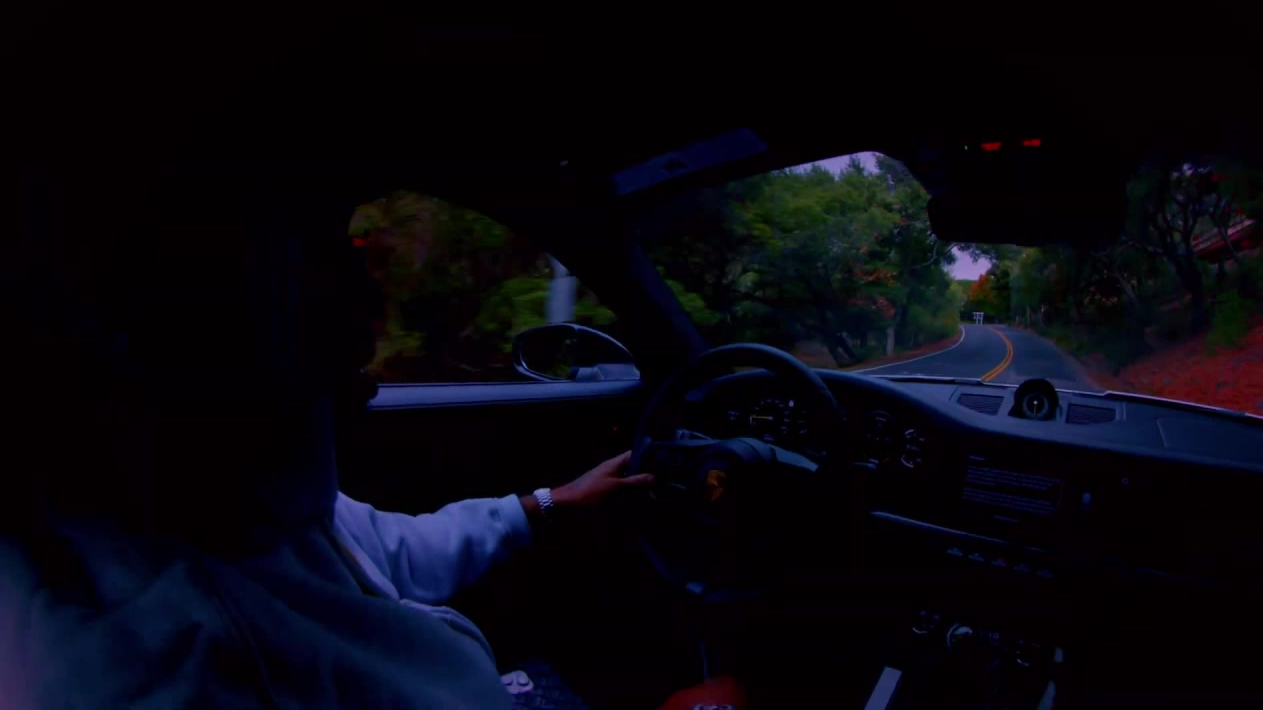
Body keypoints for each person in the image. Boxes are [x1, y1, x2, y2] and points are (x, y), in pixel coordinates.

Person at [0, 180, 743, 709]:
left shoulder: (225, 499)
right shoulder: (174, 662)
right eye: (315, 259)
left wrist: (552, 503)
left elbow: (387, 548)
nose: (367, 297)